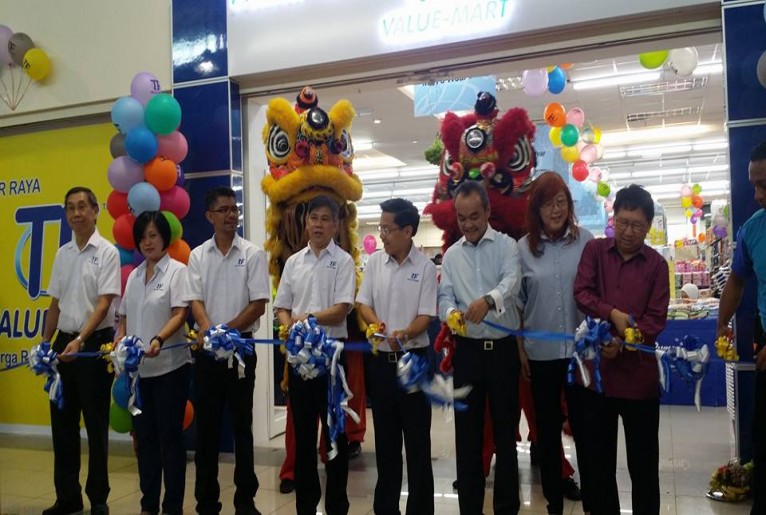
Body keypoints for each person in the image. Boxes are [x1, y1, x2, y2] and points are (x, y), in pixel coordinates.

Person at [573, 184, 670, 515]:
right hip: (597, 380)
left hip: (638, 381)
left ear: (648, 226)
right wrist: (611, 314)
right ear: (613, 218)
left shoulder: (657, 266)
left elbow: (655, 320)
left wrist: (626, 341)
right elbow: (582, 292)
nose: (629, 232)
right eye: (623, 222)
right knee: (599, 466)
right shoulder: (595, 252)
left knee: (644, 467)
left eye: (637, 225)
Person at [438, 180, 522, 515]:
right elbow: (444, 297)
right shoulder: (452, 255)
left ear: (487, 211)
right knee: (467, 436)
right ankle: (469, 507)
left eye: (474, 216)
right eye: (462, 218)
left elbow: (511, 283)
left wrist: (488, 301)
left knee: (505, 435)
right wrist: (450, 314)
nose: (468, 224)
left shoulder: (507, 246)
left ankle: (507, 507)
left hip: (502, 352)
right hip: (468, 353)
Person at [186, 186, 270, 515]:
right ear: (210, 216)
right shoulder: (197, 255)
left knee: (241, 426)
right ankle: (206, 501)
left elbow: (259, 304)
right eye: (223, 210)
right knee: (207, 428)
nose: (231, 215)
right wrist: (210, 330)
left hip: (241, 350)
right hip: (207, 352)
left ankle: (245, 500)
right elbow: (195, 300)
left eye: (234, 209)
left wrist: (228, 331)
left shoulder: (252, 254)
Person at [274, 195, 355, 515]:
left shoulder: (343, 261)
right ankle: (306, 505)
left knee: (335, 436)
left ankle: (337, 505)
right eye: (313, 218)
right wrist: (289, 326)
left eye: (325, 219)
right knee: (304, 436)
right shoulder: (294, 262)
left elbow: (342, 309)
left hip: (332, 359)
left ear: (335, 225)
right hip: (299, 360)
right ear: (306, 223)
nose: (318, 224)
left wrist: (308, 319)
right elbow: (282, 307)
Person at [41, 186, 120, 515]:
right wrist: (44, 344)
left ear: (95, 211)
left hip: (93, 345)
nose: (76, 213)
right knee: (62, 424)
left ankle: (98, 497)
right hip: (64, 344)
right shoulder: (63, 253)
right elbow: (55, 304)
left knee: (96, 423)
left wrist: (81, 339)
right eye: (71, 208)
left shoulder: (108, 252)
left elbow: (104, 304)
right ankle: (67, 497)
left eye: (82, 206)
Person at [517, 172, 593, 515]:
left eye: (561, 202)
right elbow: (517, 304)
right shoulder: (522, 249)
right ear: (536, 209)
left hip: (581, 356)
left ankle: (593, 498)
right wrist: (520, 349)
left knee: (586, 429)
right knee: (547, 434)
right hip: (541, 355)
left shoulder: (586, 242)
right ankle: (553, 502)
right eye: (547, 204)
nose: (555, 210)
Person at [356, 198, 437, 515]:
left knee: (417, 444)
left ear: (407, 231)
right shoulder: (375, 262)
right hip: (382, 365)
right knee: (386, 445)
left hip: (413, 362)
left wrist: (405, 332)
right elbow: (363, 304)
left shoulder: (425, 268)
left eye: (387, 229)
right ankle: (386, 508)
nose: (382, 235)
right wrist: (375, 322)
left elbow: (426, 315)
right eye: (381, 228)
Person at [115, 211, 191, 515]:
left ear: (164, 238)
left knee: (170, 440)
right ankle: (148, 505)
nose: (148, 242)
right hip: (139, 375)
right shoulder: (134, 276)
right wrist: (119, 340)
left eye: (153, 236)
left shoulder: (177, 272)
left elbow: (180, 314)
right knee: (144, 440)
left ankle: (172, 506)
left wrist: (158, 339)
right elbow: (124, 318)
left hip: (170, 369)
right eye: (142, 237)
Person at [716, 140, 766, 515]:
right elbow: (736, 282)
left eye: (764, 184)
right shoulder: (752, 230)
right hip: (763, 340)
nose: (758, 194)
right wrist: (722, 323)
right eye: (754, 185)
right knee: (762, 436)